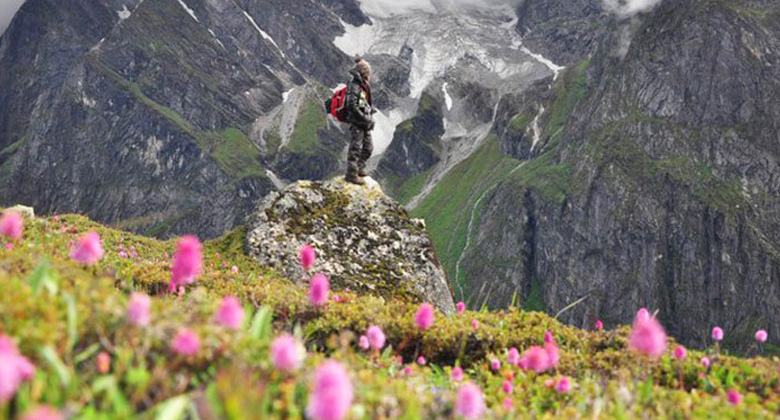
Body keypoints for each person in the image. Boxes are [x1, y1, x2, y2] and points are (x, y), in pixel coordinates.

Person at [343, 55, 375, 185]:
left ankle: (359, 168)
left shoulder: (363, 85)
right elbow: (351, 104)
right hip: (358, 123)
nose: (369, 74)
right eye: (368, 72)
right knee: (355, 149)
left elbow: (364, 103)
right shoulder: (354, 85)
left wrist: (369, 114)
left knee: (368, 148)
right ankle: (351, 175)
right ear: (363, 73)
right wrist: (364, 118)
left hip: (364, 122)